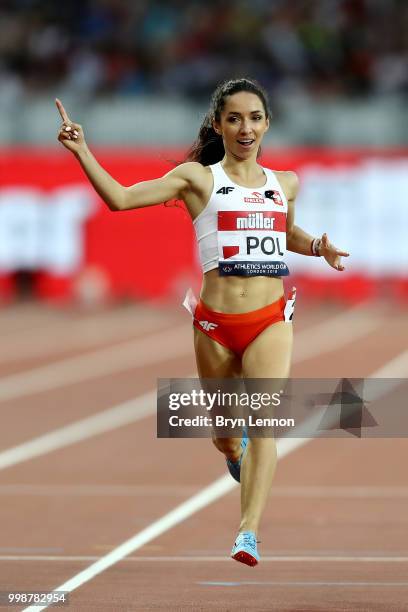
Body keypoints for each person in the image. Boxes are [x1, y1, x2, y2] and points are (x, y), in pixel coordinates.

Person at [56, 78, 349, 567]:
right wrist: (82, 150)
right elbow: (121, 200)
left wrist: (317, 247)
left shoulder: (287, 183)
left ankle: (247, 532)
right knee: (225, 434)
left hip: (270, 320)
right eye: (234, 118)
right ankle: (234, 452)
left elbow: (286, 232)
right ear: (219, 124)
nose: (245, 127)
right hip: (214, 325)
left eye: (255, 117)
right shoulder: (198, 179)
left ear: (267, 124)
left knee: (263, 421)